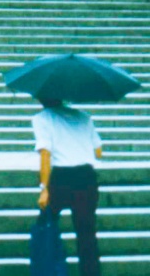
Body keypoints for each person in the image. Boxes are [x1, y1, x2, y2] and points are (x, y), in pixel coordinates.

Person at [35, 97, 104, 276]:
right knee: (86, 233)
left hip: (61, 178)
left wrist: (44, 188)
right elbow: (99, 151)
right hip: (86, 177)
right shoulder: (83, 117)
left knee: (46, 223)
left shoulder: (42, 118)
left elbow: (45, 154)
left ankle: (47, 268)